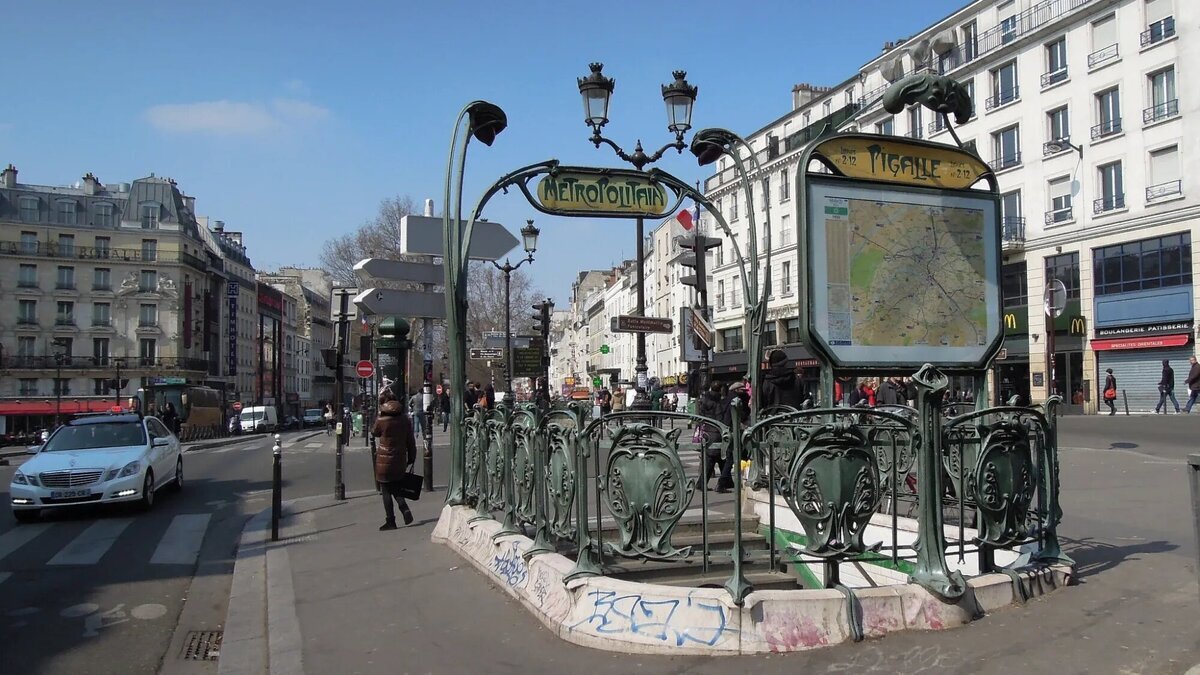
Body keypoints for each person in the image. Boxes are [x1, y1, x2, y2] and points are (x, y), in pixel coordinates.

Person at [372, 390, 417, 530]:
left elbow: (374, 432)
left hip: (384, 460)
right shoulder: (405, 419)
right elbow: (410, 441)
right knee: (396, 485)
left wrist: (379, 415)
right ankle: (404, 508)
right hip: (400, 458)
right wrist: (412, 457)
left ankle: (391, 520)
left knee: (386, 489)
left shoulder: (382, 419)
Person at [717, 381, 750, 493]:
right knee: (733, 458)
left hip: (728, 430)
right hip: (735, 431)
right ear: (736, 390)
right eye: (742, 390)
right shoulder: (737, 400)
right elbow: (743, 415)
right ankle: (722, 483)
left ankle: (727, 481)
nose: (744, 392)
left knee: (732, 458)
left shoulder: (726, 399)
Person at [697, 383, 725, 490]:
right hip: (716, 432)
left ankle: (725, 481)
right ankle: (704, 483)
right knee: (714, 459)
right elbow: (719, 419)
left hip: (707, 431)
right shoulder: (717, 402)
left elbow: (700, 416)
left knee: (716, 458)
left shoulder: (704, 400)